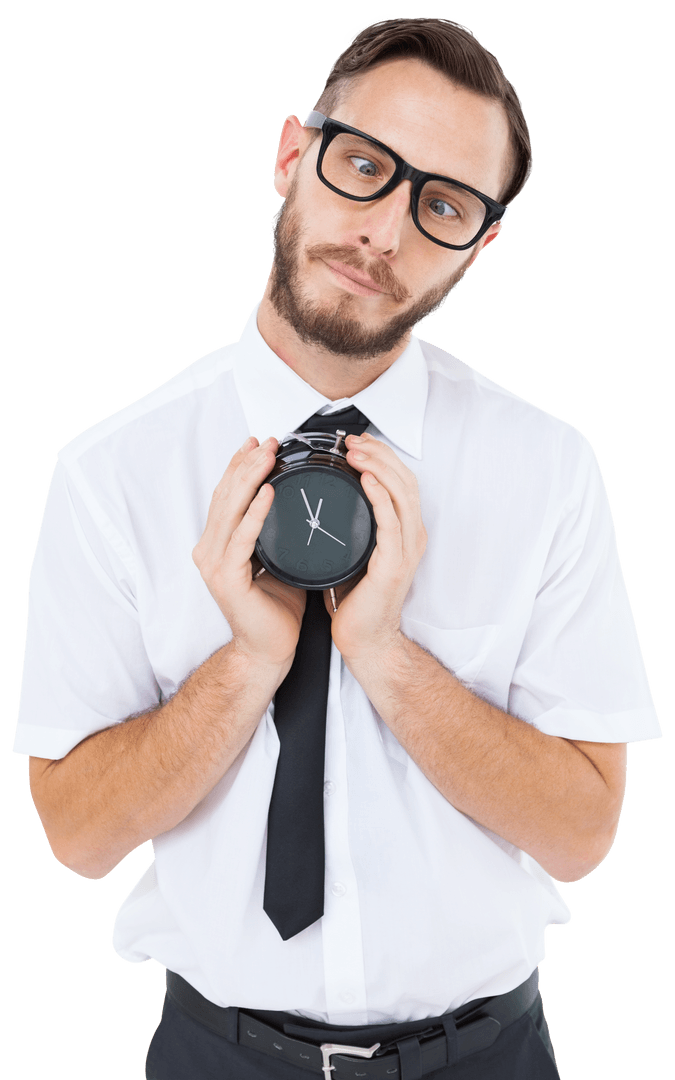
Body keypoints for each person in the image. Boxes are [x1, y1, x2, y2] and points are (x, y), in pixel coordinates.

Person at [13, 15, 660, 1080]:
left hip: (487, 1057)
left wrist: (386, 656)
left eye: (442, 204)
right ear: (290, 155)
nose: (385, 232)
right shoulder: (109, 471)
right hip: (216, 1055)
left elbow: (583, 835)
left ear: (481, 243)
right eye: (364, 165)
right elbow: (77, 840)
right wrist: (249, 664)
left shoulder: (547, 468)